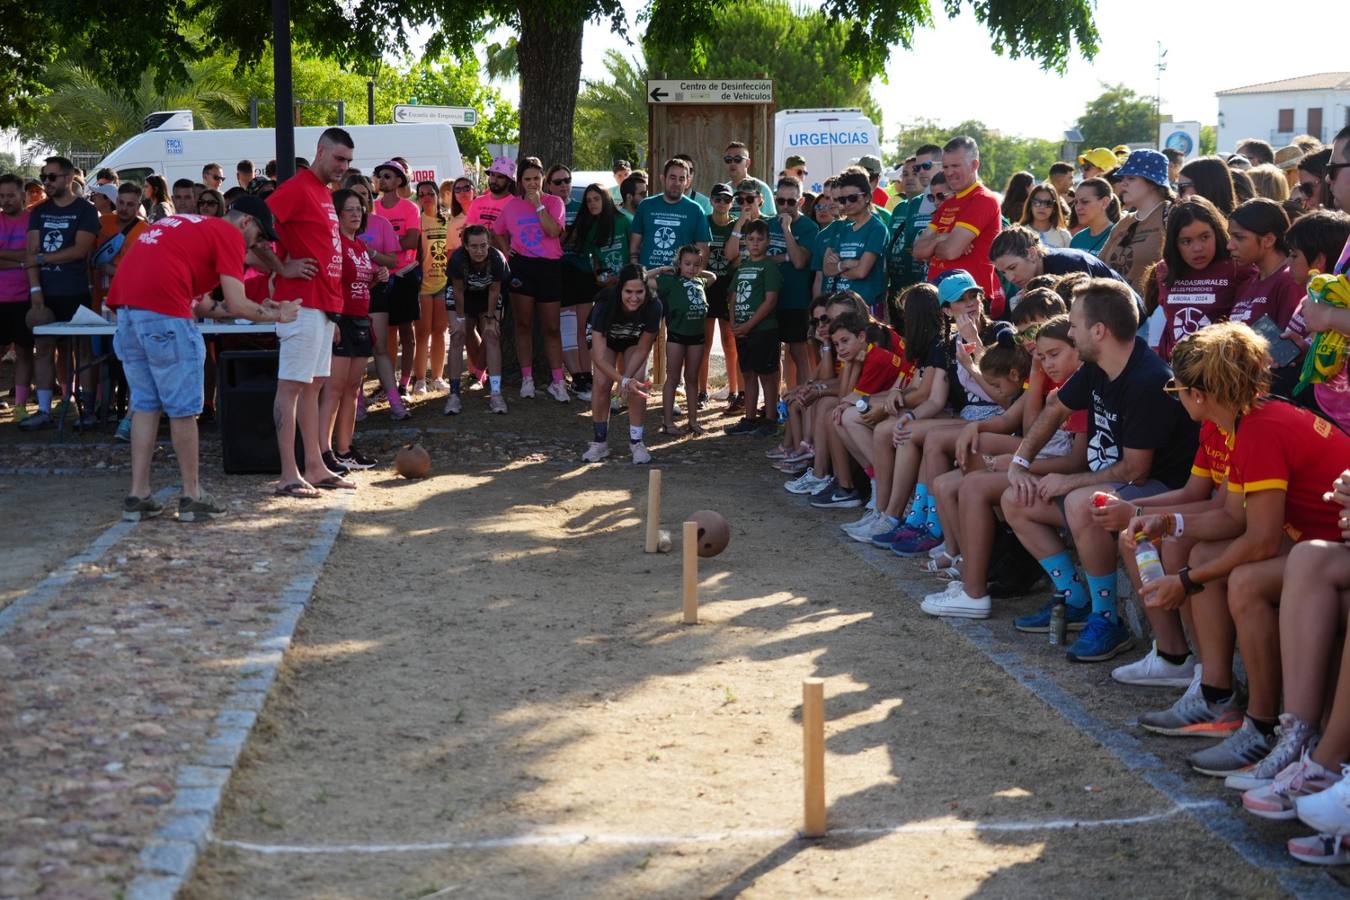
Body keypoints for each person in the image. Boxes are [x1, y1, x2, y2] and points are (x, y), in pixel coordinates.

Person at [1130, 323, 1350, 780]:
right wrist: (1168, 522)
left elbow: (1262, 539)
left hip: (1331, 547)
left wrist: (1186, 581)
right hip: (1319, 540)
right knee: (1209, 552)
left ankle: (1264, 726)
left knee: (1244, 581)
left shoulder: (1259, 429)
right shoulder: (1248, 418)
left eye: (1178, 389)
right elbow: (1233, 517)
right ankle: (1217, 696)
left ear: (1200, 394)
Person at [1001, 278, 1198, 662]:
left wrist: (1066, 480)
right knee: (1016, 497)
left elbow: (1135, 471)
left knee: (1079, 502)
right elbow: (1057, 408)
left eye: (1073, 325)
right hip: (1117, 483)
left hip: (1160, 489)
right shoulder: (1097, 366)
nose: (1070, 332)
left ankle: (1107, 619)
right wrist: (1020, 463)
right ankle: (1075, 600)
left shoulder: (1147, 379)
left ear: (1099, 330)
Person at [107, 198, 299, 520]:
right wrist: (277, 314)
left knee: (145, 404)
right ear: (246, 222)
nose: (259, 245)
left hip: (128, 314)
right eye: (260, 236)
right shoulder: (227, 235)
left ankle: (138, 495)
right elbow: (237, 305)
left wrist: (260, 309)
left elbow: (207, 306)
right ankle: (192, 495)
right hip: (165, 316)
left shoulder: (189, 227)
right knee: (183, 409)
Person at [267, 127, 354, 498]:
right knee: (291, 386)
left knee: (313, 385)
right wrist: (280, 266)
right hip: (300, 302)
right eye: (338, 159)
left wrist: (332, 315)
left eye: (348, 161)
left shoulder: (323, 192)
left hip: (323, 305)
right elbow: (251, 226)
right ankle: (289, 474)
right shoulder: (297, 187)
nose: (343, 167)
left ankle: (314, 466)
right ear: (320, 152)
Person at [20, 156, 100, 432]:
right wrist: (35, 294)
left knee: (83, 351)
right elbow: (30, 256)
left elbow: (80, 250)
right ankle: (44, 410)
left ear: (67, 178)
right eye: (44, 177)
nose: (47, 182)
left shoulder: (86, 210)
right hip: (46, 293)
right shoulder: (38, 212)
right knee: (44, 350)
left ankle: (87, 411)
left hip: (76, 291)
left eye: (52, 177)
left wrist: (43, 259)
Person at [318, 188, 383, 474]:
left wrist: (377, 278)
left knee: (353, 389)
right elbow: (328, 285)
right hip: (340, 319)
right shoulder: (334, 245)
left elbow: (357, 286)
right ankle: (323, 450)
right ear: (337, 214)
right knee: (333, 388)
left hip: (359, 319)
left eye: (360, 209)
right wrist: (331, 321)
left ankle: (345, 449)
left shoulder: (359, 247)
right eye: (350, 209)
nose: (356, 214)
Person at [492, 156, 568, 402]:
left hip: (549, 267)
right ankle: (527, 378)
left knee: (552, 327)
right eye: (528, 179)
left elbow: (553, 231)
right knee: (523, 325)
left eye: (536, 178)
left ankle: (558, 382)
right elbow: (497, 231)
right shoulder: (512, 206)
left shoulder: (554, 202)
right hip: (522, 267)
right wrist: (505, 250)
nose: (533, 183)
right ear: (520, 181)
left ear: (543, 178)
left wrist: (538, 205)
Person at [1151, 196, 1255, 360]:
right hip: (1176, 373)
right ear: (1174, 243)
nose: (1198, 248)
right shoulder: (1164, 270)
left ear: (1217, 232)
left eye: (1205, 237)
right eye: (1186, 241)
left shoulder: (1239, 267)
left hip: (1220, 370)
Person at [913, 136, 1005, 317]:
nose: (949, 172)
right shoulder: (948, 202)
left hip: (969, 302)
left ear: (974, 165)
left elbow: (950, 252)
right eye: (946, 167)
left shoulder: (983, 199)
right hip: (942, 301)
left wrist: (936, 243)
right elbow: (918, 251)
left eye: (956, 166)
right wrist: (942, 237)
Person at [582, 264, 661, 464]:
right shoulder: (605, 302)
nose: (634, 298)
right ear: (620, 289)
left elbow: (643, 349)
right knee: (601, 382)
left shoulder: (654, 306)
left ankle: (636, 442)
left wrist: (628, 380)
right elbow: (599, 358)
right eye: (628, 292)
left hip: (633, 341)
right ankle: (599, 443)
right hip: (606, 339)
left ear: (646, 289)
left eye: (639, 292)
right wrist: (622, 380)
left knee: (638, 382)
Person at [344, 173, 407, 420]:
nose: (362, 200)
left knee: (380, 347)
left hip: (377, 290)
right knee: (356, 352)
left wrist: (374, 257)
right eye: (356, 195)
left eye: (366, 195)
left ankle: (395, 402)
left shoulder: (380, 223)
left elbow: (392, 259)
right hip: (350, 292)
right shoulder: (340, 227)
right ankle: (358, 403)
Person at [564, 183, 631, 400]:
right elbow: (595, 266)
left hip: (630, 289)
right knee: (608, 340)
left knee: (627, 339)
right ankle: (611, 388)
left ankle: (626, 387)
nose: (592, 204)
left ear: (606, 199)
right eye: (589, 200)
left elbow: (635, 252)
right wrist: (603, 279)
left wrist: (628, 278)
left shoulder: (624, 221)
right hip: (608, 290)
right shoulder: (590, 229)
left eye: (596, 199)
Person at [647, 245, 713, 435]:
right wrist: (664, 269)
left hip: (697, 337)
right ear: (679, 264)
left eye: (696, 265)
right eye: (687, 264)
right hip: (677, 337)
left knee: (692, 379)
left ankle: (693, 421)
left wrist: (700, 269)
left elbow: (713, 277)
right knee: (673, 378)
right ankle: (668, 423)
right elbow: (643, 277)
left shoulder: (701, 280)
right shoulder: (671, 281)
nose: (691, 268)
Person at [726, 218, 783, 436]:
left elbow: (770, 301)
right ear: (745, 242)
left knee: (767, 375)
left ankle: (770, 420)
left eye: (760, 239)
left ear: (768, 241)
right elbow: (732, 296)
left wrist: (749, 325)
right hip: (742, 330)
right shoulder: (743, 266)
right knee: (748, 374)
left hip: (764, 329)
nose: (755, 243)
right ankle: (749, 418)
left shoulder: (769, 266)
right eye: (750, 239)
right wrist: (733, 322)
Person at [372, 159, 423, 398]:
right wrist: (390, 249)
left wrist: (384, 249)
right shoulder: (372, 208)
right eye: (380, 176)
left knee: (406, 331)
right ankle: (387, 383)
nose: (383, 180)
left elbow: (412, 241)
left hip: (404, 275)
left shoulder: (410, 208)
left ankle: (404, 384)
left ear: (399, 180)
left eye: (388, 176)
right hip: (379, 276)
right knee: (385, 333)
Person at [446, 224, 509, 414]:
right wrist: (459, 319)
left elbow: (495, 290)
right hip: (461, 296)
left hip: (487, 295)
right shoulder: (457, 259)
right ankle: (454, 394)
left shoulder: (497, 258)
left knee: (491, 335)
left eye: (483, 245)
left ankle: (496, 393)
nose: (479, 250)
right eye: (474, 246)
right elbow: (457, 290)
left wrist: (491, 318)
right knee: (457, 336)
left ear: (489, 243)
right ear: (465, 246)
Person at [1099, 150, 1174, 298]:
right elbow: (1100, 266)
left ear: (1153, 183)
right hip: (1117, 311)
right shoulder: (1124, 222)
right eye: (1123, 178)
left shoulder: (1172, 216)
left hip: (1154, 312)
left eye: (1131, 178)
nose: (1123, 183)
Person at [815, 168, 888, 312]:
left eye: (853, 198)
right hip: (840, 306)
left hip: (866, 307)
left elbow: (861, 272)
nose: (847, 203)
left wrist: (839, 267)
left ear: (867, 197)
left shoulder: (876, 228)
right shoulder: (843, 228)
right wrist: (847, 264)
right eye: (842, 199)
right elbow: (827, 269)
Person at [885, 144, 944, 308]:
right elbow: (915, 248)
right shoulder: (916, 203)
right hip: (912, 288)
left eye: (926, 166)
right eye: (918, 168)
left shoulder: (955, 197)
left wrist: (931, 244)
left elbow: (952, 248)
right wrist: (936, 241)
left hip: (945, 289)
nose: (920, 172)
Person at [699, 182, 740, 410]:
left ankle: (733, 390)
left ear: (731, 202)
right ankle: (702, 391)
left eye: (726, 200)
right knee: (704, 342)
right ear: (712, 201)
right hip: (707, 285)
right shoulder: (704, 222)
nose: (722, 203)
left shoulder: (737, 225)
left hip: (728, 285)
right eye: (718, 199)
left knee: (729, 340)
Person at [629, 158, 711, 271]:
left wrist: (694, 281)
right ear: (663, 179)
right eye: (672, 178)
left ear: (687, 182)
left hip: (679, 280)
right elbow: (635, 244)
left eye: (681, 179)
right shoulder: (646, 206)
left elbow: (703, 250)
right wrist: (636, 272)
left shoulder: (696, 210)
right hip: (648, 277)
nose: (676, 183)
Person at [0, 174, 33, 420]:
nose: (6, 200)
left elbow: (35, 253)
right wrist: (22, 259)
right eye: (1, 196)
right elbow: (28, 257)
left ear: (23, 195)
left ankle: (20, 404)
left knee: (24, 352)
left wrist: (7, 256)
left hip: (26, 297)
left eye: (10, 195)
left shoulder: (33, 220)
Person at [414, 180, 450, 395]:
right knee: (422, 333)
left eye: (430, 193)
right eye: (422, 194)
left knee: (440, 332)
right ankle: (420, 380)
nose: (426, 197)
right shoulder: (417, 221)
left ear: (438, 196)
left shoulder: (447, 220)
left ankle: (437, 377)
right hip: (423, 286)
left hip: (444, 284)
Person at [1068, 177, 1118, 257]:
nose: (1078, 207)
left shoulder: (1118, 237)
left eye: (1085, 202)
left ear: (1104, 203)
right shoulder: (1077, 239)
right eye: (1076, 202)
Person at [723, 142, 775, 216]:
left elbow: (770, 220)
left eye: (737, 159)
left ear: (747, 163)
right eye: (728, 159)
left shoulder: (762, 189)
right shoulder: (724, 191)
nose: (732, 163)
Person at [1019, 182, 1071, 248]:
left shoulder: (1064, 236)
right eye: (1037, 202)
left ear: (1054, 207)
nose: (1042, 207)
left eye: (1048, 203)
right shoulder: (1018, 234)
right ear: (1030, 205)